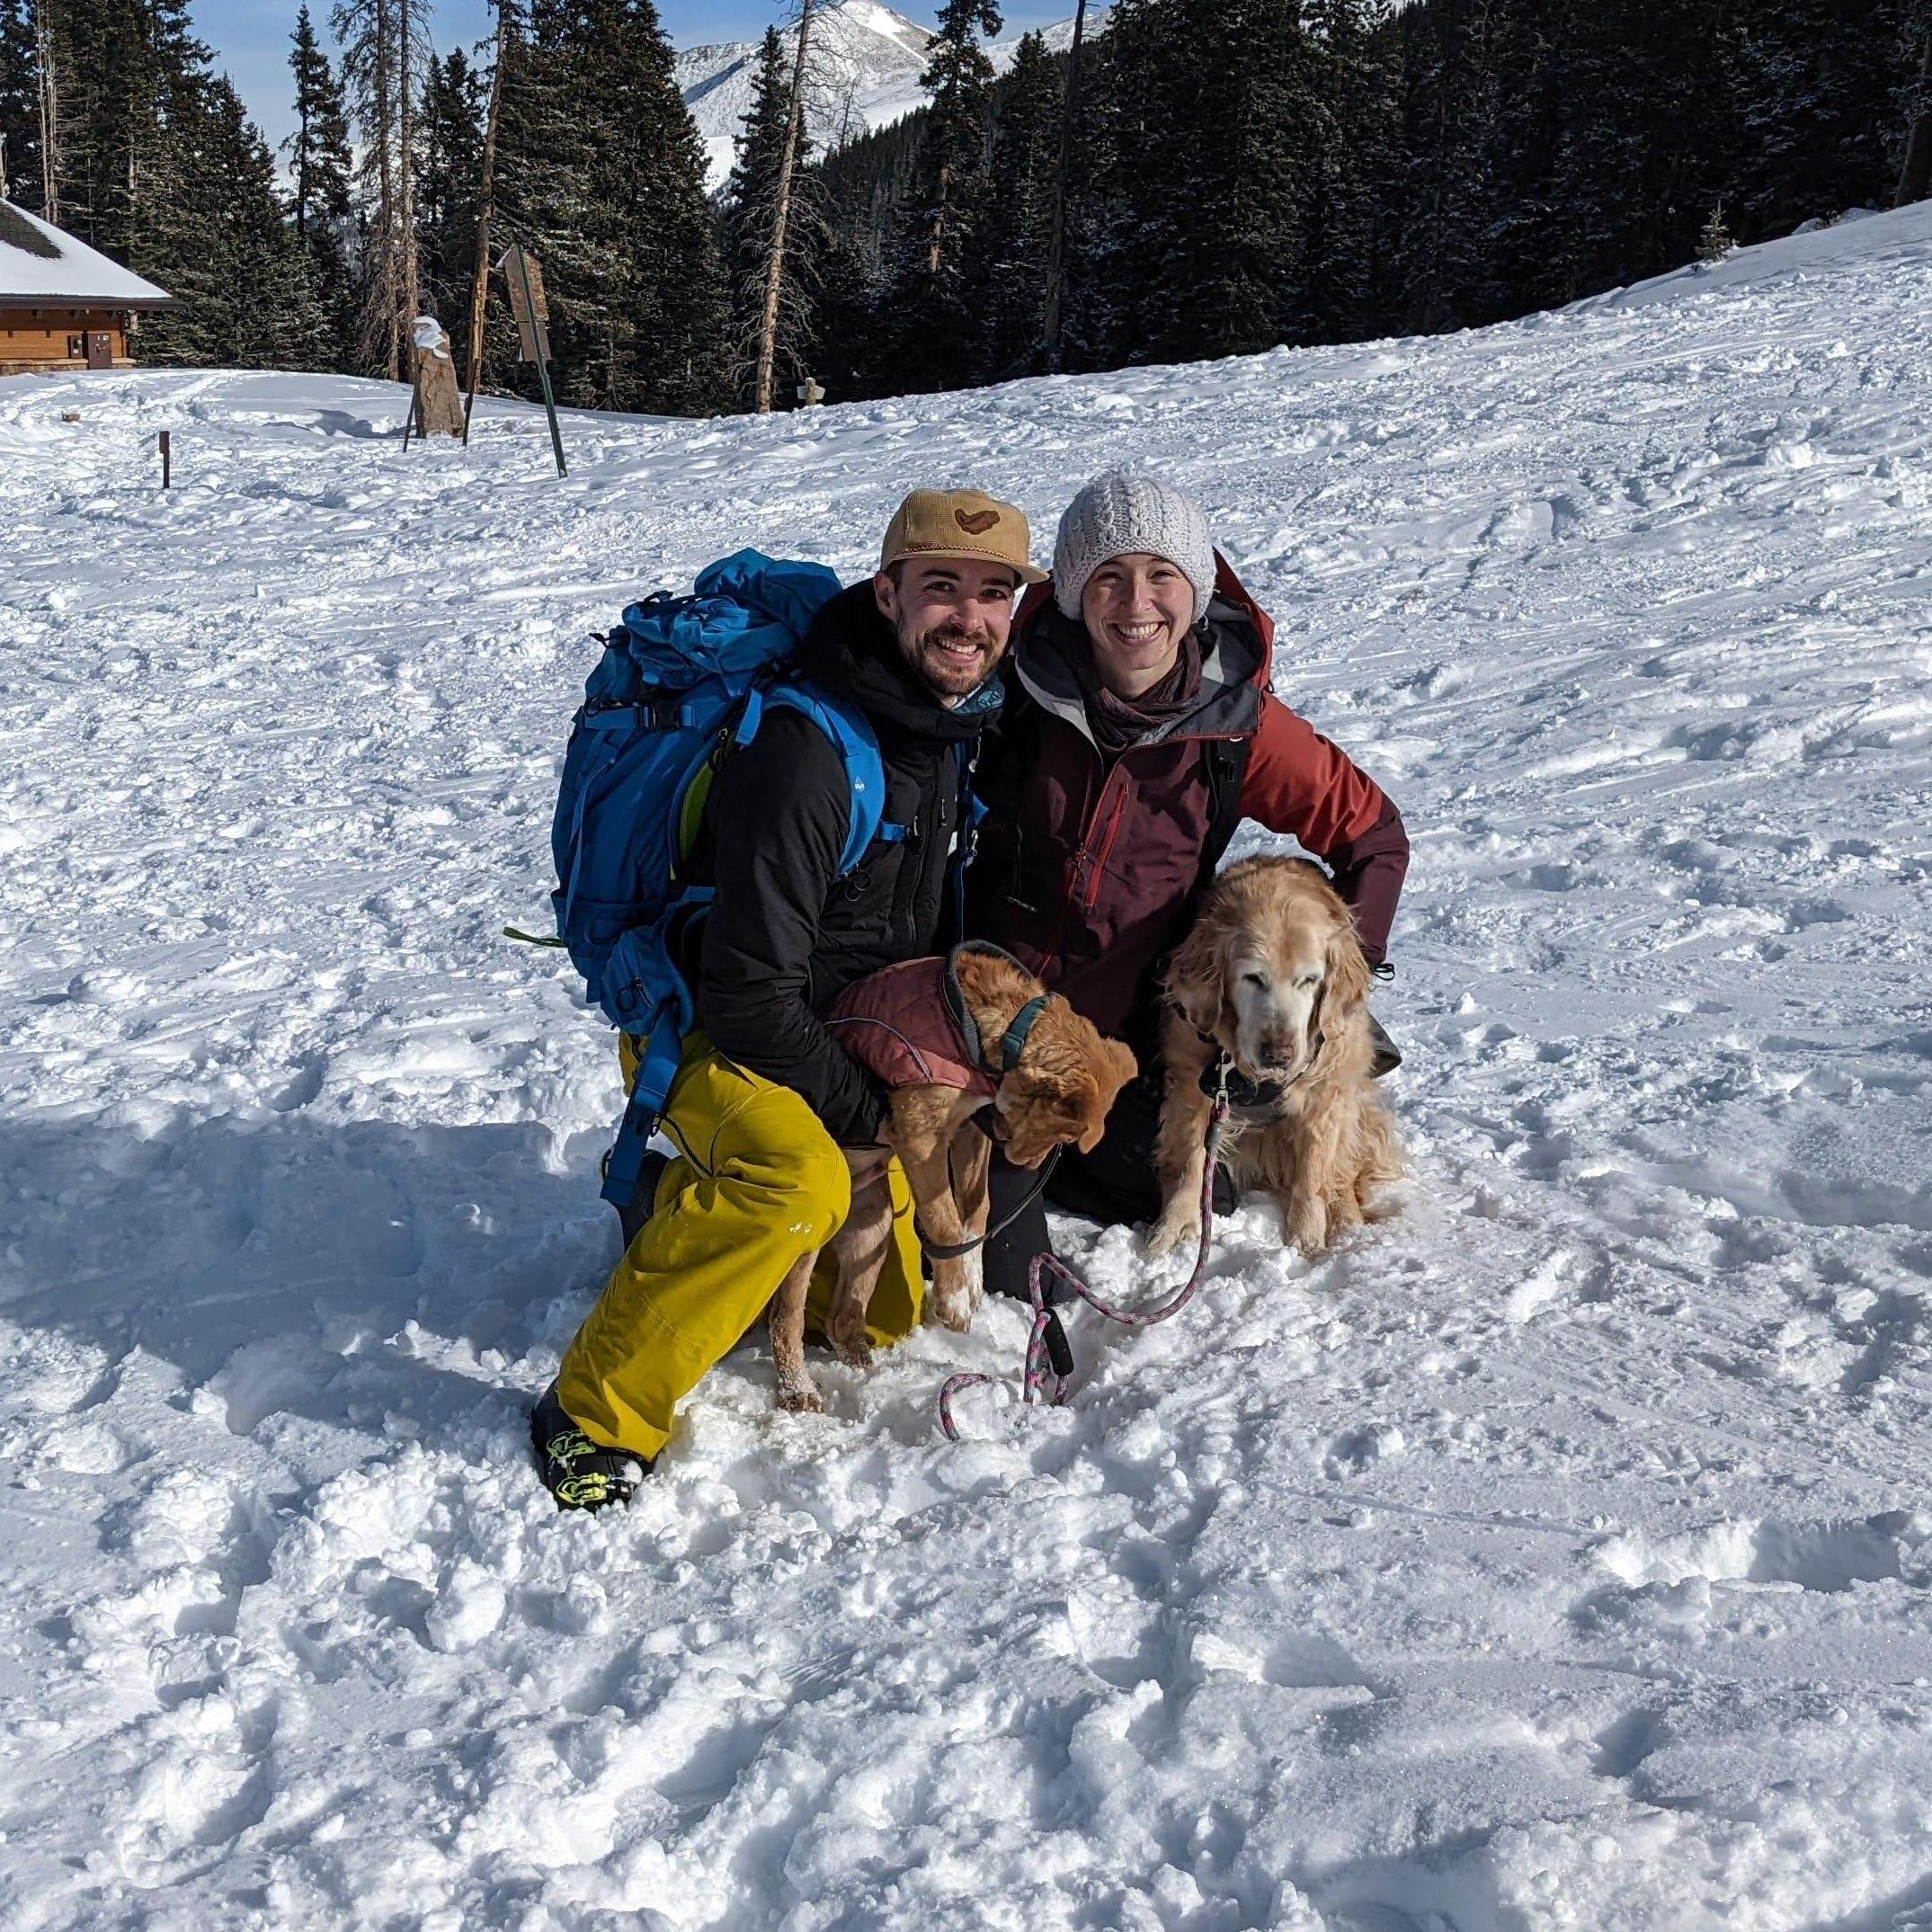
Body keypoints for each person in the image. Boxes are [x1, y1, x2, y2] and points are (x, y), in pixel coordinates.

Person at [533, 490, 1044, 1509]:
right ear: (887, 590)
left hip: (837, 1039)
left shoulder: (946, 728)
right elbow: (751, 992)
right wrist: (883, 1122)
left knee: (882, 1309)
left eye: (993, 594)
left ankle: (674, 1216)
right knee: (799, 1187)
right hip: (708, 1030)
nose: (967, 618)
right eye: (940, 587)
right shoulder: (811, 752)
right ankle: (593, 1411)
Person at [962, 471, 1409, 1293]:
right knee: (964, 1200)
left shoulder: (1237, 724)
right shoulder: (1008, 690)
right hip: (982, 1009)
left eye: (1161, 574)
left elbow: (1373, 835)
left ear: (1195, 591)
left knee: (1196, 1190)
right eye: (1107, 575)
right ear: (1071, 594)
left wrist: (1342, 977)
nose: (1137, 602)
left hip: (1117, 1031)